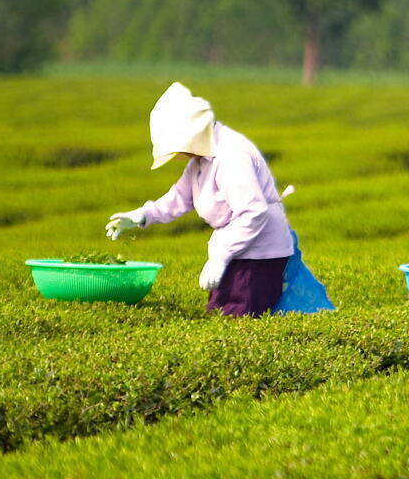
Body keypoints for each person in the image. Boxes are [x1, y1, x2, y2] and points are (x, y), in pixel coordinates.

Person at [105, 82, 295, 317]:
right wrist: (142, 216)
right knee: (218, 315)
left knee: (240, 319)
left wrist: (222, 256)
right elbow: (180, 197)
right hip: (235, 250)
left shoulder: (231, 156)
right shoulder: (200, 161)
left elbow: (253, 212)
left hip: (257, 256)